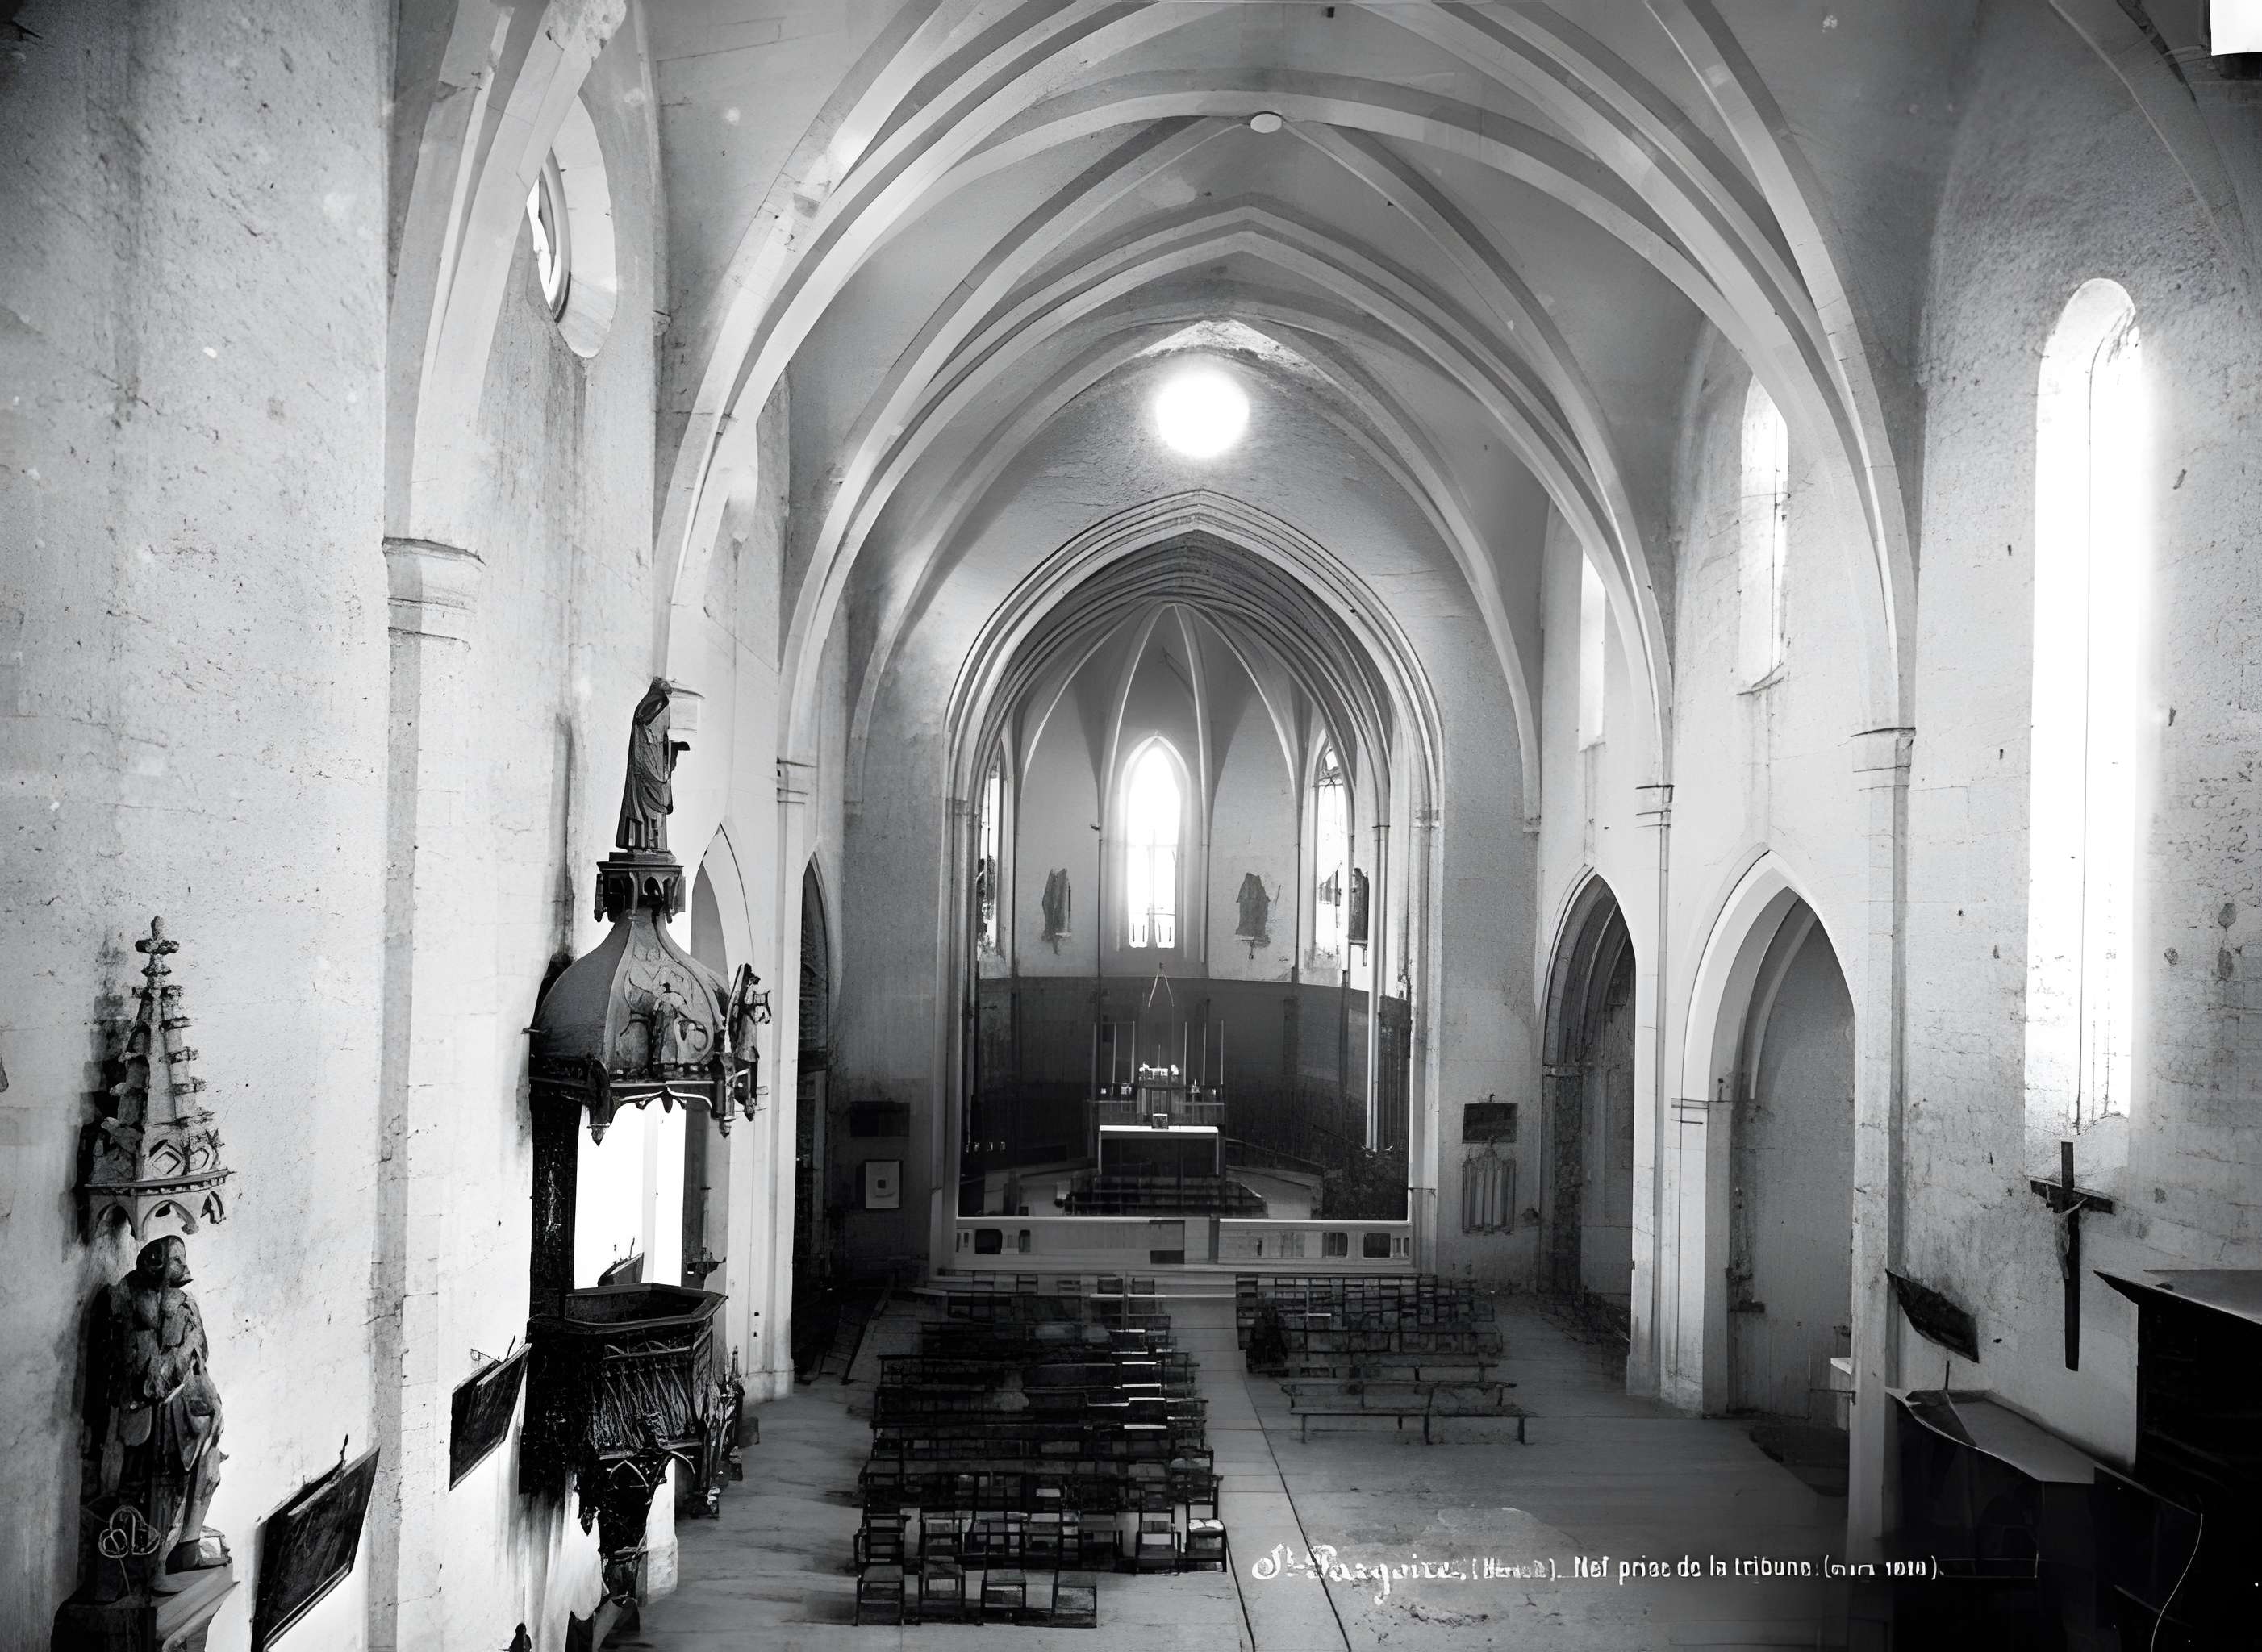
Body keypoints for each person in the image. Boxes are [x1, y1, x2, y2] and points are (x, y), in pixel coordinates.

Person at [91, 1235, 226, 1589]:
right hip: (145, 1415)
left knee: (183, 1483)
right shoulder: (124, 1301)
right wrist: (171, 1358)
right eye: (176, 1262)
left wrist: (208, 1400)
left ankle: (175, 1554)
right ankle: (142, 1567)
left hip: (181, 1413)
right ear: (156, 1266)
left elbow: (199, 1358)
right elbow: (135, 1369)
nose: (184, 1269)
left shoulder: (186, 1305)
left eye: (183, 1262)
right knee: (140, 1487)